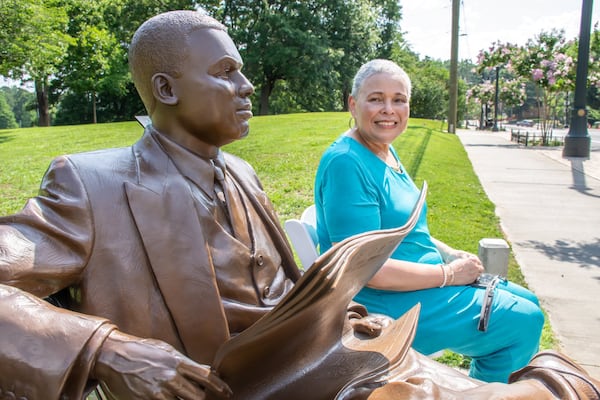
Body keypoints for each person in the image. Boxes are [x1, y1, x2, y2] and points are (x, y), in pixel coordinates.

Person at [0, 10, 598, 400]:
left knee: (548, 383)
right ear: (165, 87)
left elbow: (283, 293)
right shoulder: (90, 184)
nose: (247, 86)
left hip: (327, 359)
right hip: (249, 386)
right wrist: (108, 349)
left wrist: (346, 315)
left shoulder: (241, 174)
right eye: (226, 72)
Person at [314, 59, 545, 383]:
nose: (388, 109)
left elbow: (405, 229)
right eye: (376, 98)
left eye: (399, 99)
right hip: (382, 305)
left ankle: (483, 385)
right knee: (524, 320)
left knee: (528, 301)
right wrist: (449, 274)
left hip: (419, 284)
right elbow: (369, 270)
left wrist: (449, 252)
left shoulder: (384, 150)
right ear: (353, 104)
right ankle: (488, 391)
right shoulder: (347, 164)